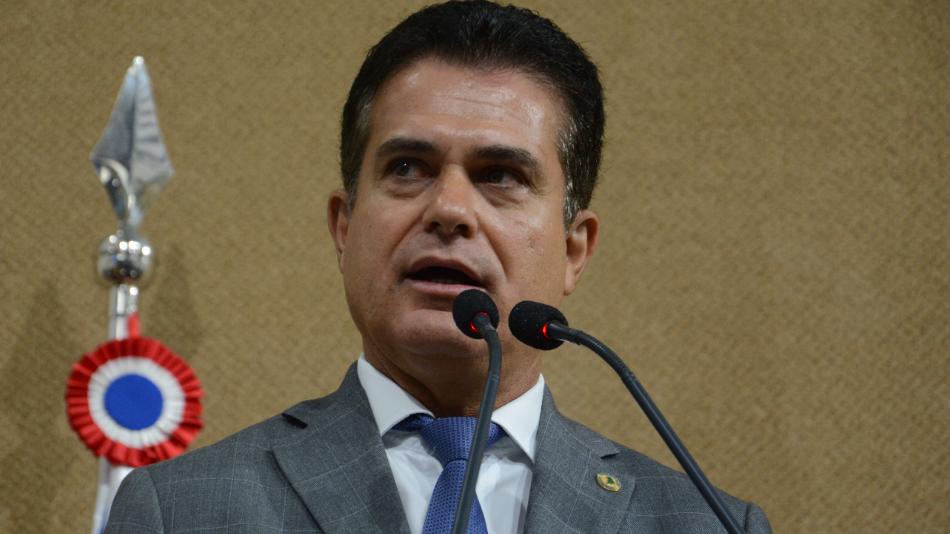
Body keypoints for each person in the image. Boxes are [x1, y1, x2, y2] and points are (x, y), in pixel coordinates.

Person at [105, 1, 771, 532]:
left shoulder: (704, 523)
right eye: (407, 167)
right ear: (344, 227)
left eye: (500, 175)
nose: (449, 209)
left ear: (574, 251)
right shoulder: (180, 511)